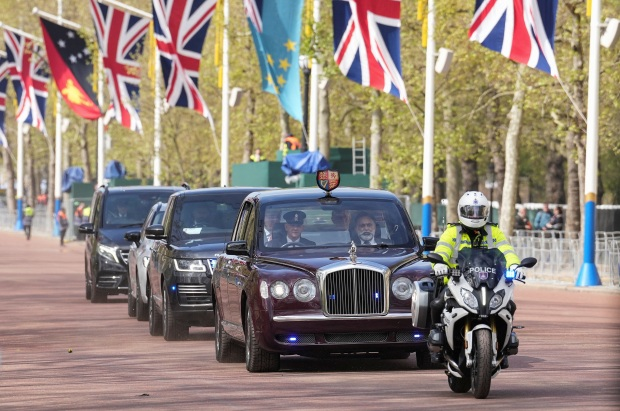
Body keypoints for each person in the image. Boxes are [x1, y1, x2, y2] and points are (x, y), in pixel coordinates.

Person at [429, 191, 524, 365]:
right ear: (461, 211)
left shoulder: (494, 232)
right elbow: (441, 251)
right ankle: (438, 341)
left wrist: (514, 266)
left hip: (489, 282)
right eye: (470, 211)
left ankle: (504, 346)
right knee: (437, 304)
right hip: (457, 281)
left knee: (509, 305)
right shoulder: (452, 232)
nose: (475, 215)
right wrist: (440, 265)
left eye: (479, 211)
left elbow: (507, 251)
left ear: (486, 212)